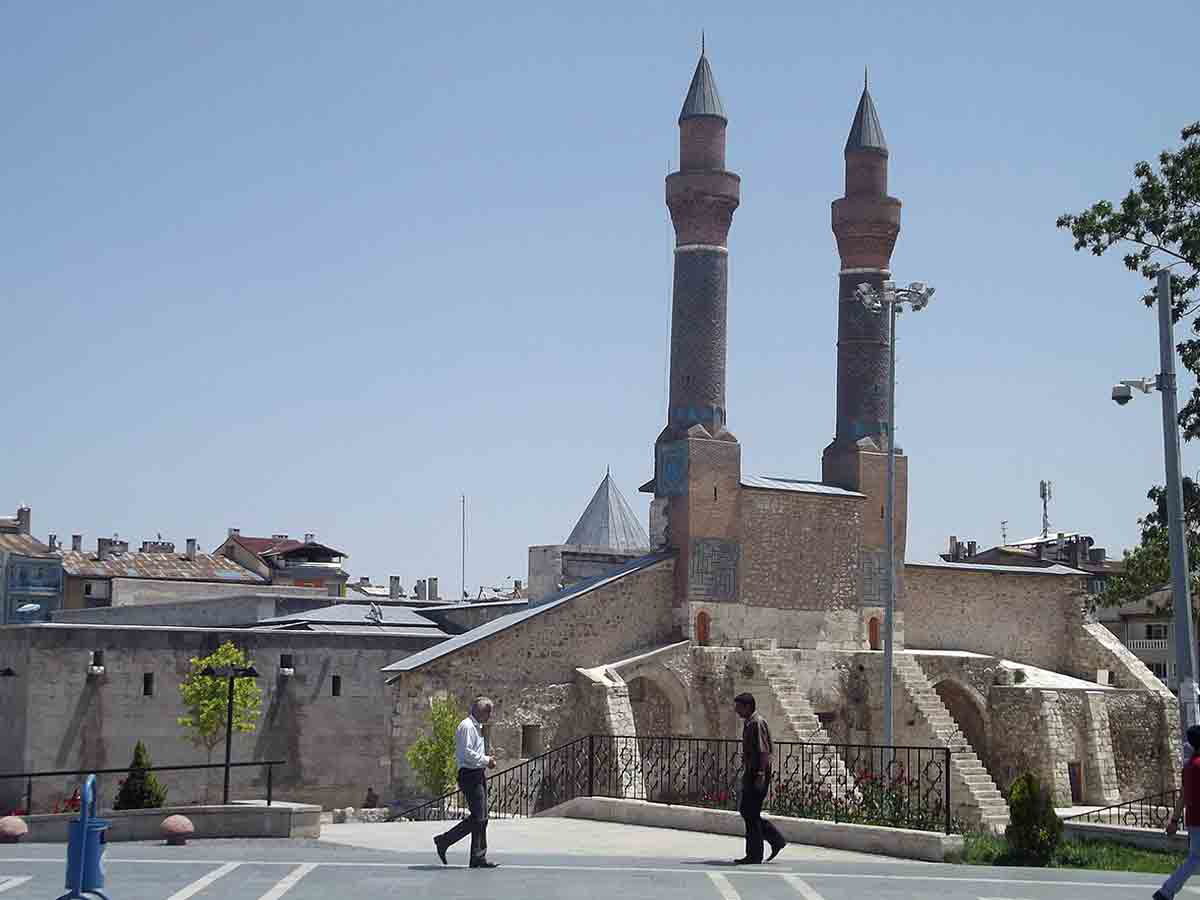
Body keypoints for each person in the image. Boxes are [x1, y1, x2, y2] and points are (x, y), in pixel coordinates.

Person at [434, 696, 499, 869]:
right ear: (481, 711)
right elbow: (467, 753)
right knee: (479, 817)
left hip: (477, 774)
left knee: (482, 818)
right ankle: (445, 840)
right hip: (469, 775)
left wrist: (485, 762)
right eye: (488, 712)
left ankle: (477, 856)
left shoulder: (476, 727)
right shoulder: (467, 727)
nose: (490, 716)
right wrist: (487, 760)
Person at [734, 692, 787, 865]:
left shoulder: (756, 723)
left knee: (750, 812)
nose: (736, 710)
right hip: (752, 771)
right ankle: (775, 840)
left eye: (739, 706)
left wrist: (761, 774)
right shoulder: (749, 723)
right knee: (748, 812)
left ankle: (756, 854)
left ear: (748, 706)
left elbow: (764, 751)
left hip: (758, 772)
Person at [1155, 724, 1200, 899]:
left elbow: (1182, 796)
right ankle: (1166, 892)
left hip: (1193, 821)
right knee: (1195, 859)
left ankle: (1166, 892)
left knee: (1194, 859)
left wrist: (1174, 821)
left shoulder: (1188, 767)